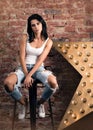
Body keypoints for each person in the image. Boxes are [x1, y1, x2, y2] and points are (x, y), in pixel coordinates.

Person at [4, 14, 59, 119]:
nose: (36, 27)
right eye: (33, 25)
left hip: (38, 69)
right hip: (23, 68)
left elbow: (40, 60)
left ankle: (40, 103)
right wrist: (26, 74)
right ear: (30, 27)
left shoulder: (48, 41)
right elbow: (21, 57)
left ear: (42, 23)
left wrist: (30, 75)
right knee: (8, 83)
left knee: (53, 82)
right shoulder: (25, 37)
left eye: (38, 24)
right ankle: (23, 103)